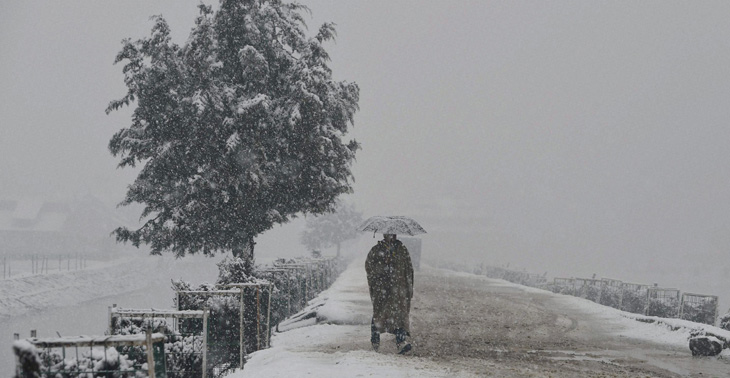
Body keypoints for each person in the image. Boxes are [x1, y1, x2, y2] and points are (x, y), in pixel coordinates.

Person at [365, 233, 414, 354]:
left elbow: (408, 269)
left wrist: (408, 287)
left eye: (393, 233)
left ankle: (400, 342)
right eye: (389, 233)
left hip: (398, 289)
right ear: (384, 234)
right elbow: (369, 267)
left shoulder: (402, 249)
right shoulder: (376, 250)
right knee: (379, 313)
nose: (391, 236)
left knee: (400, 316)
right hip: (382, 289)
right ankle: (375, 340)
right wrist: (382, 267)